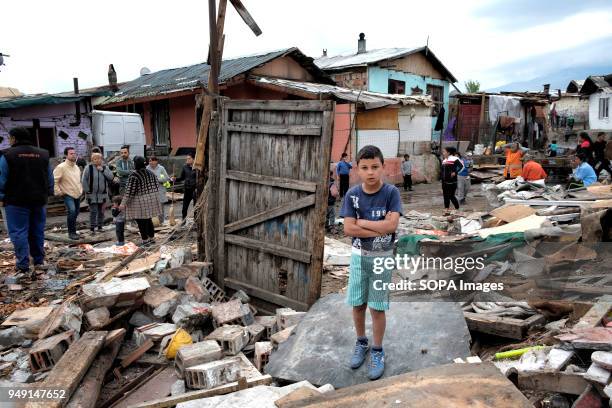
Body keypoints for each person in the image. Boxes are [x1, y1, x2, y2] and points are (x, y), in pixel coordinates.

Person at [340, 145, 401, 381]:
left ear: (383, 167)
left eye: (375, 167)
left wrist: (362, 223)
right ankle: (361, 342)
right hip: (359, 259)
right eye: (365, 168)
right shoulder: (352, 195)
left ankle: (377, 350)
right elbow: (347, 228)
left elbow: (391, 226)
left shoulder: (391, 193)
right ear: (357, 170)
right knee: (358, 305)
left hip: (382, 260)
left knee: (377, 307)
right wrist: (378, 226)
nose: (371, 172)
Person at [0, 127, 54, 274]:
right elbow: (49, 178)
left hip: (16, 201)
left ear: (14, 138)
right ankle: (38, 261)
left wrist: (1, 197)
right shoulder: (43, 154)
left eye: (10, 137)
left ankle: (23, 264)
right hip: (38, 200)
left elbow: (1, 179)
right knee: (37, 230)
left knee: (19, 232)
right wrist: (48, 194)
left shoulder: (7, 155)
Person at [120, 156, 162, 246]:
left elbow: (129, 192)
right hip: (151, 200)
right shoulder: (151, 173)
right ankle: (152, 238)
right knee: (148, 220)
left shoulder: (134, 176)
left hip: (140, 202)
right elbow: (157, 186)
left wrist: (123, 203)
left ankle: (145, 240)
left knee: (141, 222)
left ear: (135, 164)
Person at [54, 147, 83, 240]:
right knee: (72, 211)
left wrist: (81, 190)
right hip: (67, 194)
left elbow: (78, 180)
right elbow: (55, 180)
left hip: (77, 193)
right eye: (71, 153)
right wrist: (58, 192)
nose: (73, 155)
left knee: (76, 212)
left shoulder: (76, 167)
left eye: (74, 153)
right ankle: (71, 233)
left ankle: (73, 230)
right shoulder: (61, 167)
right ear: (66, 155)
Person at [81, 152, 114, 233]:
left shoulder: (105, 167)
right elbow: (84, 179)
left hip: (102, 194)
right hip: (91, 194)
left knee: (101, 211)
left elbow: (111, 177)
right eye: (95, 159)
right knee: (93, 211)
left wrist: (102, 170)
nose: (97, 160)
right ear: (92, 160)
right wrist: (87, 190)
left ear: (101, 159)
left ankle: (100, 226)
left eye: (99, 158)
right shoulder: (88, 168)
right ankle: (92, 228)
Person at [146, 156, 170, 222]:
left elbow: (167, 178)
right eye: (149, 161)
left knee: (160, 207)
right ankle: (152, 222)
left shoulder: (161, 168)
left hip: (160, 189)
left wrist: (157, 179)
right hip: (150, 191)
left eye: (151, 161)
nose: (150, 162)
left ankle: (161, 221)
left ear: (156, 161)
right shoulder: (147, 168)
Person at [173, 153, 196, 221]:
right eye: (187, 158)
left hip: (195, 190)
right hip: (187, 189)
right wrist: (175, 179)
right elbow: (182, 177)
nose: (187, 160)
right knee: (184, 207)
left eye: (189, 158)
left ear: (193, 159)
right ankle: (183, 220)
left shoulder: (197, 167)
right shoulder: (185, 167)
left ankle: (196, 220)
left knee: (195, 206)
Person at [440, 147, 464, 213]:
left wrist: (455, 172)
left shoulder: (455, 159)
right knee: (445, 195)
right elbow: (442, 171)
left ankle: (457, 208)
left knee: (451, 195)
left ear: (448, 152)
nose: (443, 153)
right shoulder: (444, 160)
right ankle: (446, 208)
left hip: (452, 181)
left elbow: (462, 166)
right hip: (444, 181)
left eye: (444, 152)